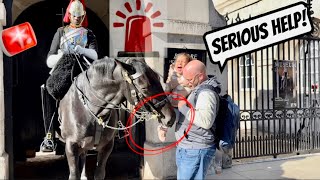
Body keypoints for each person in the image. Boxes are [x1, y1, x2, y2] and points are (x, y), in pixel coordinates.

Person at [40, 0, 98, 152]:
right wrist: (61, 55)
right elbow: (49, 60)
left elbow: (95, 55)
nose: (77, 19)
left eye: (80, 16)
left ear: (83, 16)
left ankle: (102, 131)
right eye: (74, 16)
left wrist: (82, 50)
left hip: (83, 68)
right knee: (47, 88)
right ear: (69, 15)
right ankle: (49, 135)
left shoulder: (89, 33)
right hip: (63, 68)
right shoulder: (60, 32)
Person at [175, 60, 221, 179]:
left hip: (196, 149)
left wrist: (182, 108)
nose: (188, 83)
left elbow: (205, 121)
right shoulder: (198, 88)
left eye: (190, 79)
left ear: (200, 76)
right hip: (189, 148)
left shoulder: (206, 93)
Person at [157, 53, 192, 142]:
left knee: (182, 122)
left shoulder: (191, 74)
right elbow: (169, 86)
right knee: (170, 118)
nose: (180, 63)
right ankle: (162, 128)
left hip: (184, 104)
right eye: (178, 61)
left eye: (183, 62)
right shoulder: (173, 73)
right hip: (173, 101)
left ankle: (183, 138)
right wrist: (176, 82)